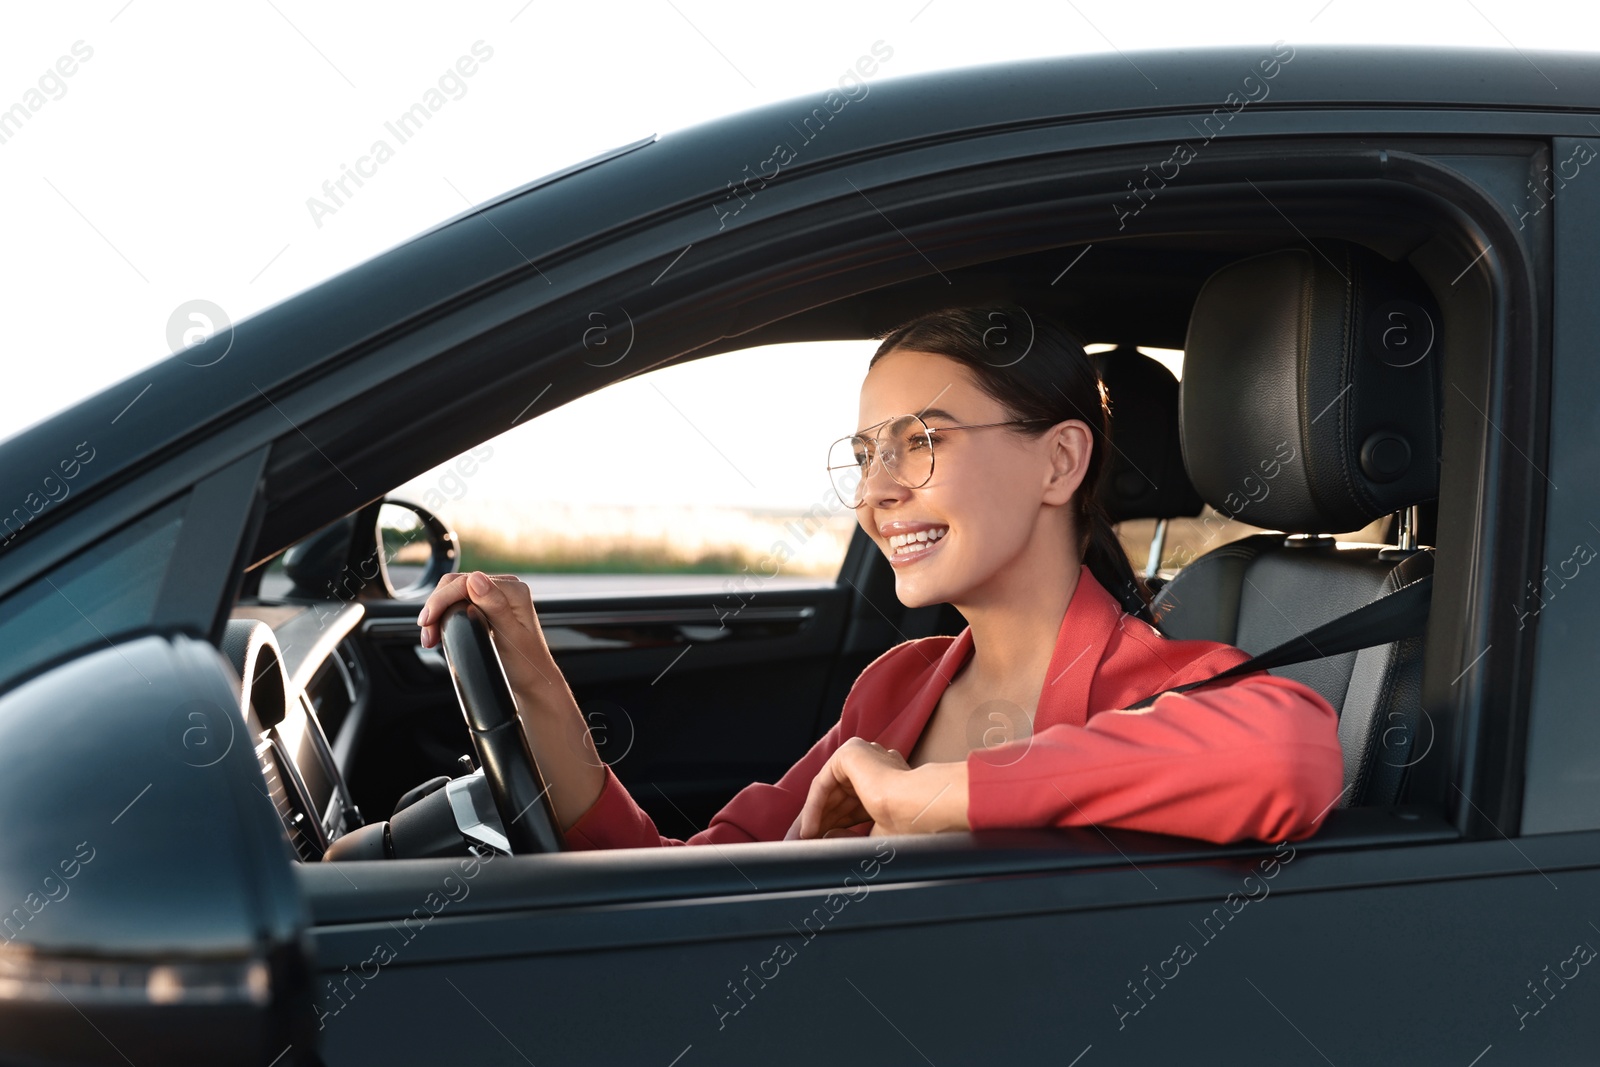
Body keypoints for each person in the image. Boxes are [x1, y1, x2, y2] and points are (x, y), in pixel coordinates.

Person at [416, 306, 1345, 849]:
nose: (875, 490)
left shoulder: (1157, 688)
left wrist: (926, 795)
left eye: (920, 442)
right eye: (865, 454)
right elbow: (684, 878)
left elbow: (1293, 756)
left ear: (1059, 464)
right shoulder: (897, 687)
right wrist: (534, 675)